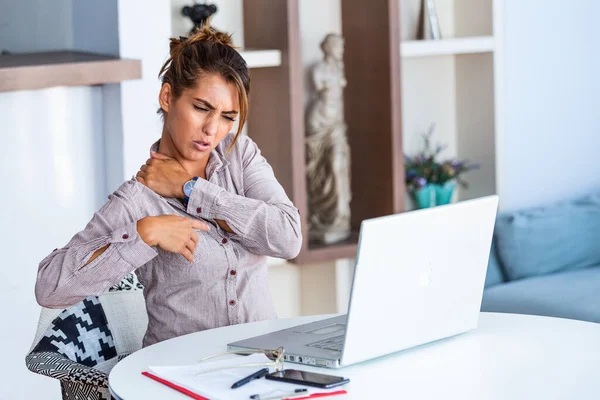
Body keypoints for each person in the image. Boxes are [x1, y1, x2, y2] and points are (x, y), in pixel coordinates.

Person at [35, 26, 302, 347]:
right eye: (201, 108)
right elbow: (50, 289)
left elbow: (288, 239)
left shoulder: (239, 156)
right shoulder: (137, 199)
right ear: (167, 97)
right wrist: (143, 234)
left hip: (263, 365)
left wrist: (192, 190)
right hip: (181, 376)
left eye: (228, 116)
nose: (212, 129)